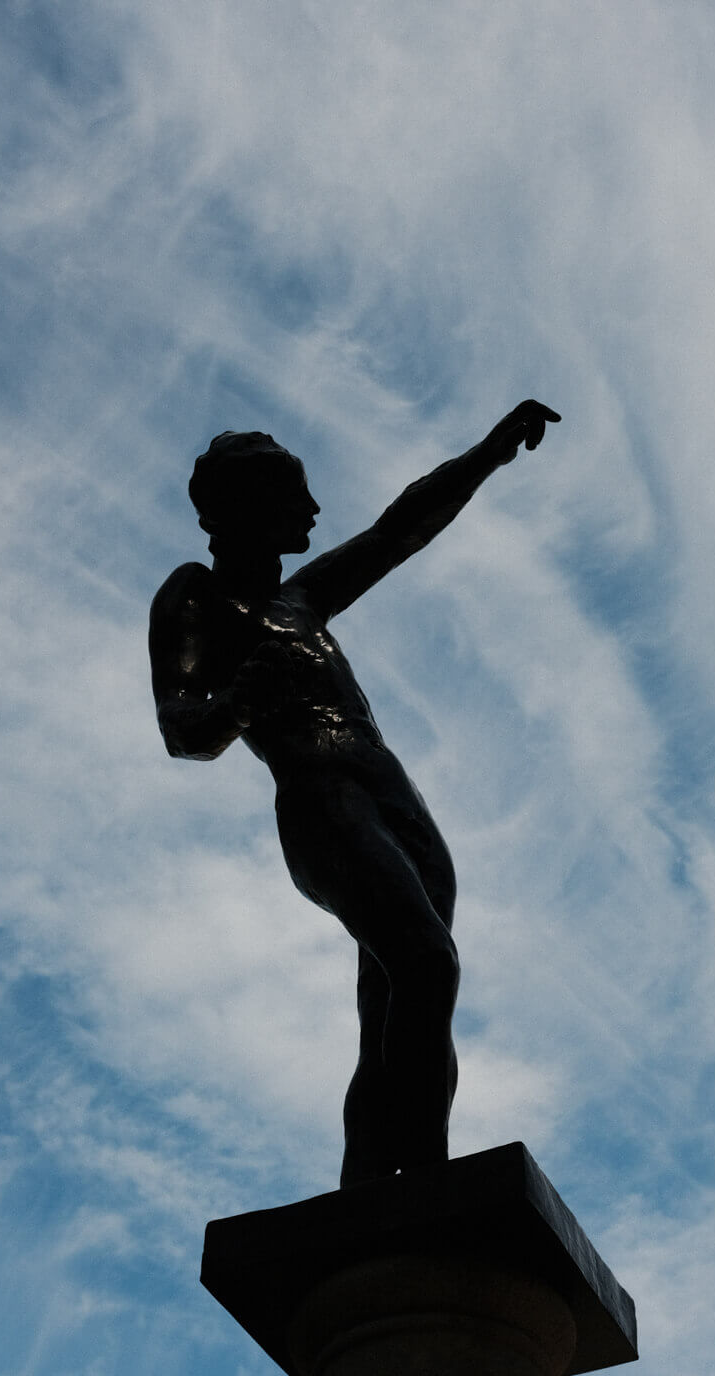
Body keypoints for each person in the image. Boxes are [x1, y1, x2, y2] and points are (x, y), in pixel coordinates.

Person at [149, 399, 560, 1185]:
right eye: (291, 497)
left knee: (400, 1004)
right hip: (319, 794)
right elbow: (181, 729)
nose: (310, 511)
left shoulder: (300, 601)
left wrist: (487, 452)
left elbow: (398, 529)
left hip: (392, 795)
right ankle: (418, 1183)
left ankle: (377, 1182)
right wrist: (238, 702)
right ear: (240, 508)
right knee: (426, 967)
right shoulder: (195, 596)